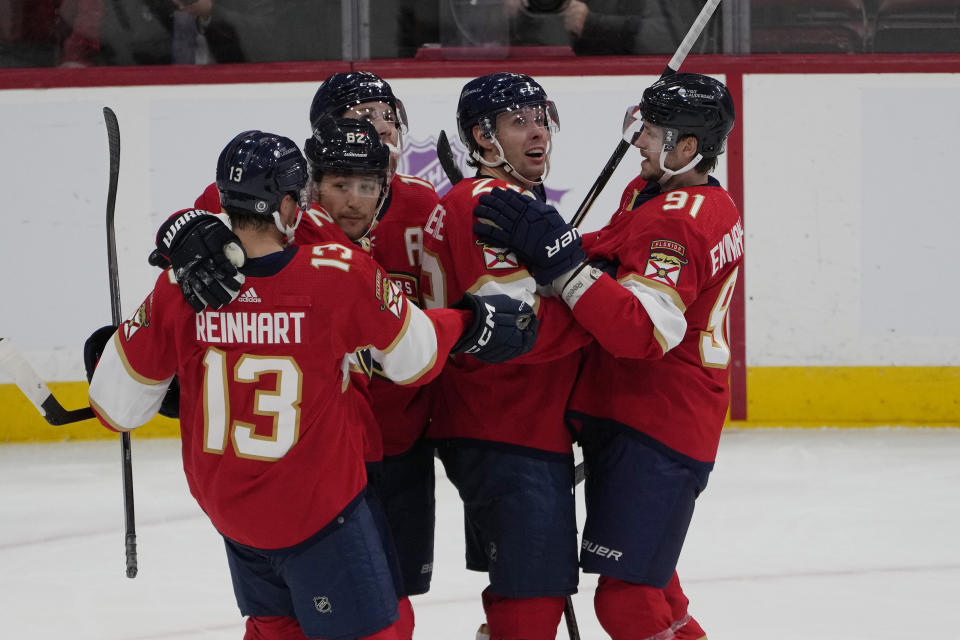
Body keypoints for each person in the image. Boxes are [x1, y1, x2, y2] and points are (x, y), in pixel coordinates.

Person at [86, 129, 538, 640]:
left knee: (276, 628)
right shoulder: (337, 273)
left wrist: (137, 355)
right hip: (317, 516)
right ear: (285, 205)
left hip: (233, 517)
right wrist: (468, 321)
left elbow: (115, 407)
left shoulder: (177, 285)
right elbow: (415, 360)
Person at [472, 72, 740, 640]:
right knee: (654, 582)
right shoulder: (656, 193)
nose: (637, 142)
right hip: (632, 417)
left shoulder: (680, 223)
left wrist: (563, 266)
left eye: (650, 133)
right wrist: (559, 248)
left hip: (659, 426)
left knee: (627, 601)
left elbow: (640, 331)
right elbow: (617, 252)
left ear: (685, 148)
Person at [419, 71, 592, 640]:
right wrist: (594, 297)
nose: (537, 131)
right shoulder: (487, 204)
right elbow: (512, 332)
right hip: (504, 423)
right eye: (518, 121)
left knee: (522, 589)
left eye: (542, 117)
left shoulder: (495, 201)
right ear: (483, 138)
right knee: (533, 600)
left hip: (502, 422)